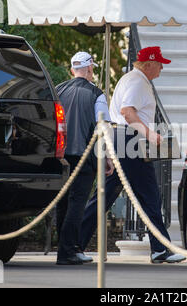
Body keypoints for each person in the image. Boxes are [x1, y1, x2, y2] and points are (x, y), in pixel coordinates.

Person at [79, 46, 186, 264]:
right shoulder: (138, 82)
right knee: (149, 196)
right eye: (159, 64)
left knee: (105, 197)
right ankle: (160, 249)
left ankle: (74, 243)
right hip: (131, 141)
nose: (162, 68)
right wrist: (150, 135)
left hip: (121, 139)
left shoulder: (131, 79)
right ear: (148, 64)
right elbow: (128, 112)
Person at [55, 51, 114, 265]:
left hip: (60, 156)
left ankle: (65, 249)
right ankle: (68, 251)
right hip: (85, 156)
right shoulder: (96, 94)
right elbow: (103, 127)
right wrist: (107, 157)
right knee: (77, 203)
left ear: (72, 70)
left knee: (62, 203)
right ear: (89, 69)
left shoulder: (58, 90)